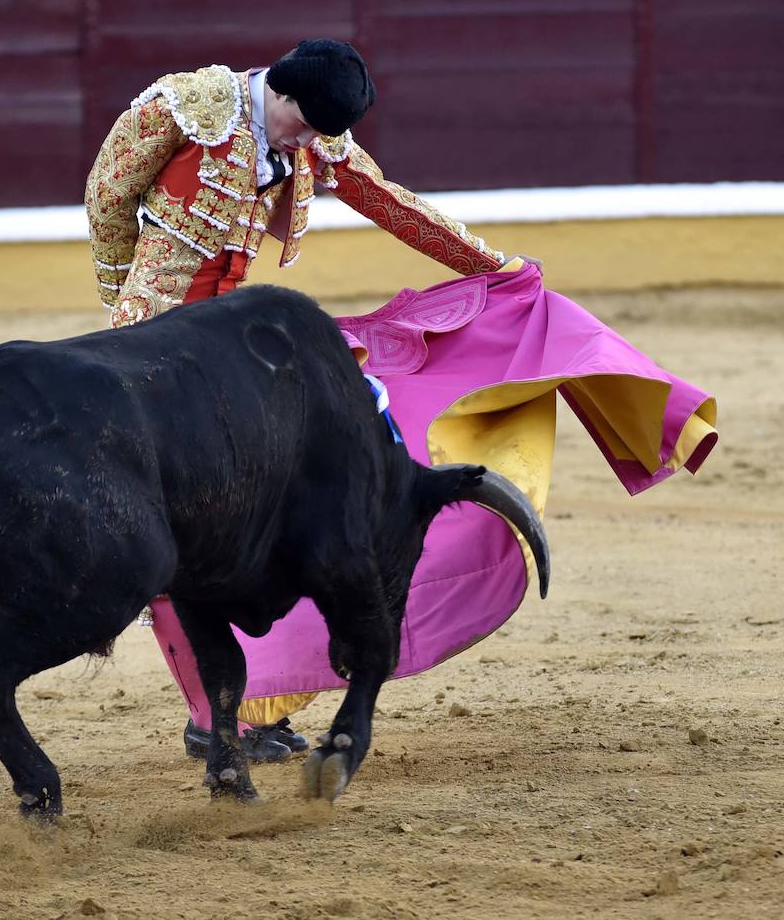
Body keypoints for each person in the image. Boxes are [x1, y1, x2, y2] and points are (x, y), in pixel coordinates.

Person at [84, 40, 525, 759]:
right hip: (162, 340)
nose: (310, 147)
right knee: (181, 524)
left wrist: (493, 266)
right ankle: (213, 715)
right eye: (304, 129)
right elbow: (107, 192)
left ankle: (252, 700)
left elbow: (390, 203)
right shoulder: (188, 105)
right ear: (280, 94)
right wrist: (126, 310)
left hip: (236, 335)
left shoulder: (313, 134)